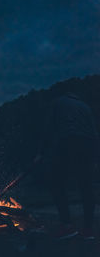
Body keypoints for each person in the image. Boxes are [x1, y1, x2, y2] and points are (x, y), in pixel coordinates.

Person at [35, 92, 100, 240]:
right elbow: (94, 132)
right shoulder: (85, 107)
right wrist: (96, 157)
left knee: (57, 182)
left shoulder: (57, 102)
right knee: (86, 186)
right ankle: (88, 230)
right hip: (87, 146)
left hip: (68, 141)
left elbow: (49, 128)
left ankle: (67, 226)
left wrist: (41, 152)